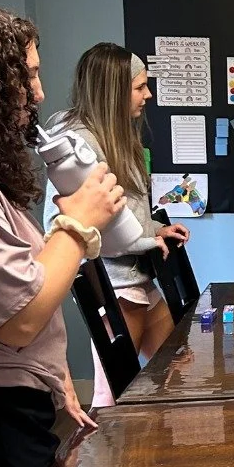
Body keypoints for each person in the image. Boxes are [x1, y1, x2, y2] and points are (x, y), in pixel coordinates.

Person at [0, 2, 126, 467]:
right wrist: (79, 222)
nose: (39, 94)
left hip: (20, 398)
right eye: (29, 77)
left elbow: (20, 276)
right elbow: (18, 320)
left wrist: (54, 369)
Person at [44, 43, 189, 407]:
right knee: (112, 401)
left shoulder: (116, 133)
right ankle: (97, 461)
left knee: (179, 371)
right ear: (113, 91)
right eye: (140, 87)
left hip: (136, 278)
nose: (148, 95)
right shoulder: (78, 143)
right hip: (117, 285)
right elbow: (75, 224)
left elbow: (123, 211)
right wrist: (142, 242)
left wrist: (152, 230)